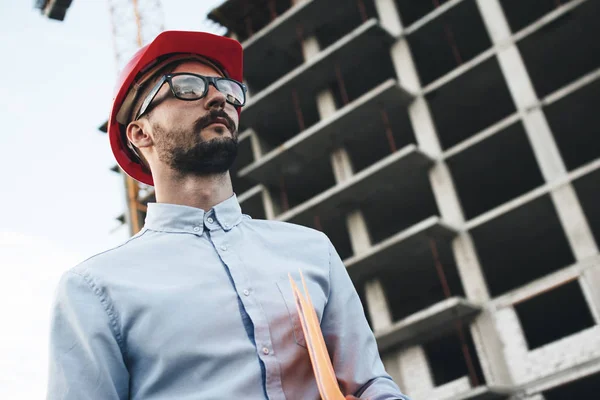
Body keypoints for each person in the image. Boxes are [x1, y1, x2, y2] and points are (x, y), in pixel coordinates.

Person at [47, 30, 410, 400]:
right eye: (188, 87)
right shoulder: (94, 288)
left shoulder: (311, 251)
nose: (219, 97)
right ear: (140, 133)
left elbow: (368, 383)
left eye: (228, 89)